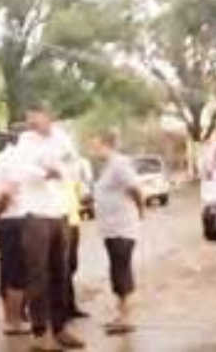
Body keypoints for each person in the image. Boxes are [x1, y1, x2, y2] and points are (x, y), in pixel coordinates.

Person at [16, 104, 86, 351]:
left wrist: (61, 170)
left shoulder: (62, 139)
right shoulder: (25, 141)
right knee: (38, 274)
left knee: (61, 273)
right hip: (36, 215)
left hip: (61, 213)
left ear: (49, 117)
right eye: (29, 117)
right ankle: (40, 333)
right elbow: (22, 170)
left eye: (36, 116)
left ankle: (60, 328)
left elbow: (74, 165)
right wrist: (45, 173)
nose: (32, 121)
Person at [90, 130, 145, 335]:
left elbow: (135, 189)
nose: (93, 150)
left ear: (107, 144)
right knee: (117, 271)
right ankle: (121, 316)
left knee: (122, 271)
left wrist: (141, 210)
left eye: (96, 146)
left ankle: (127, 318)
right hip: (111, 229)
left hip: (122, 228)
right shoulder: (108, 166)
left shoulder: (119, 164)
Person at [0, 127, 34, 336]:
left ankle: (10, 318)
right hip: (15, 218)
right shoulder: (16, 158)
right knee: (18, 272)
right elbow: (8, 190)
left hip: (4, 220)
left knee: (6, 268)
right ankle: (14, 321)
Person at [62, 158, 91, 321]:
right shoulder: (54, 179)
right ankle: (63, 308)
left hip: (74, 224)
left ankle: (70, 306)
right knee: (62, 268)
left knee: (71, 266)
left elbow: (83, 197)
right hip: (62, 224)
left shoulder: (73, 178)